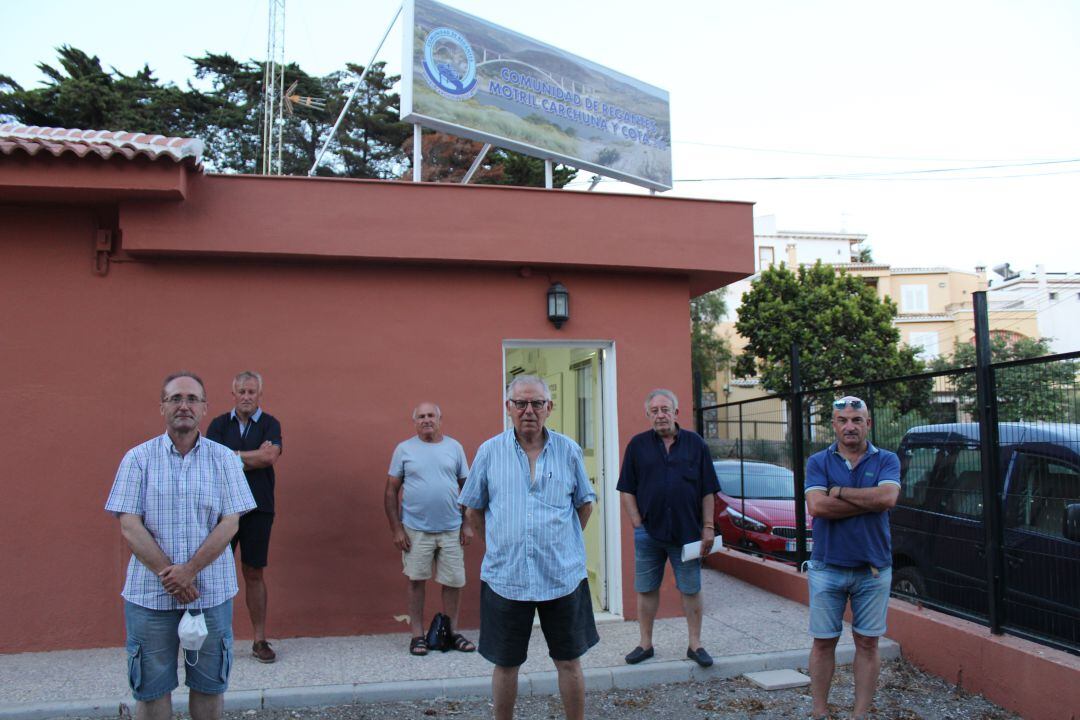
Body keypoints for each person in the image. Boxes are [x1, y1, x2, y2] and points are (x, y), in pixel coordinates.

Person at [105, 372, 256, 720]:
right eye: (175, 399)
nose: (183, 405)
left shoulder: (224, 459)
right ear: (162, 407)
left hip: (210, 595)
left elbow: (230, 522)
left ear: (204, 407)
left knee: (209, 686)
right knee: (151, 689)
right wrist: (169, 574)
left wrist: (189, 572)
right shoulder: (137, 459)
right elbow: (129, 523)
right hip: (149, 598)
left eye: (192, 399)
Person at [459, 375, 598, 720]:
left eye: (537, 403)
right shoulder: (489, 452)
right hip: (506, 578)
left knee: (568, 661)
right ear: (508, 408)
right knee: (506, 664)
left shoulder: (568, 450)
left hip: (561, 577)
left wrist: (560, 542)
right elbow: (473, 508)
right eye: (520, 403)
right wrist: (500, 543)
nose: (528, 411)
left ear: (550, 408)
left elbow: (584, 504)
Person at [804, 396, 901, 720]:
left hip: (872, 570)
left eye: (856, 420)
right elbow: (817, 507)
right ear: (833, 424)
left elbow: (887, 497)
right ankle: (820, 712)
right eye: (842, 420)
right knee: (823, 643)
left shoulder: (887, 460)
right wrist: (868, 501)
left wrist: (840, 492)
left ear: (868, 424)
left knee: (868, 644)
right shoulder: (818, 462)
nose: (849, 426)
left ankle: (859, 715)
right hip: (826, 567)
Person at [617, 388, 720, 668]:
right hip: (649, 533)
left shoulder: (696, 444)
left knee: (691, 588)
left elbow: (708, 489)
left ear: (676, 412)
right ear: (647, 415)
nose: (660, 415)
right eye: (654, 411)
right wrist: (637, 523)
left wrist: (708, 527)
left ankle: (695, 644)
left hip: (687, 533)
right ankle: (645, 644)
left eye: (665, 410)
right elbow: (626, 489)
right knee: (646, 588)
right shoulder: (637, 446)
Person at [385, 401, 475, 656]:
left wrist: (466, 523)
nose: (426, 420)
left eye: (431, 415)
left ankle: (453, 632)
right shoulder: (404, 449)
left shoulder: (454, 447)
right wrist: (397, 529)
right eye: (421, 416)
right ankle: (417, 635)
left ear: (440, 419)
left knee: (453, 582)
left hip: (450, 529)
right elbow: (391, 490)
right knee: (416, 581)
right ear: (415, 421)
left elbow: (466, 487)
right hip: (416, 530)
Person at [206, 371, 283, 663]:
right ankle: (214, 639)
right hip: (221, 509)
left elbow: (269, 458)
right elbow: (212, 461)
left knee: (254, 572)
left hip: (258, 507)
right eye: (242, 392)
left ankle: (259, 639)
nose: (247, 397)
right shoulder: (217, 424)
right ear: (233, 394)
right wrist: (249, 456)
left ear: (259, 394)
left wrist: (232, 456)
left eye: (252, 392)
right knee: (214, 572)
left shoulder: (270, 423)